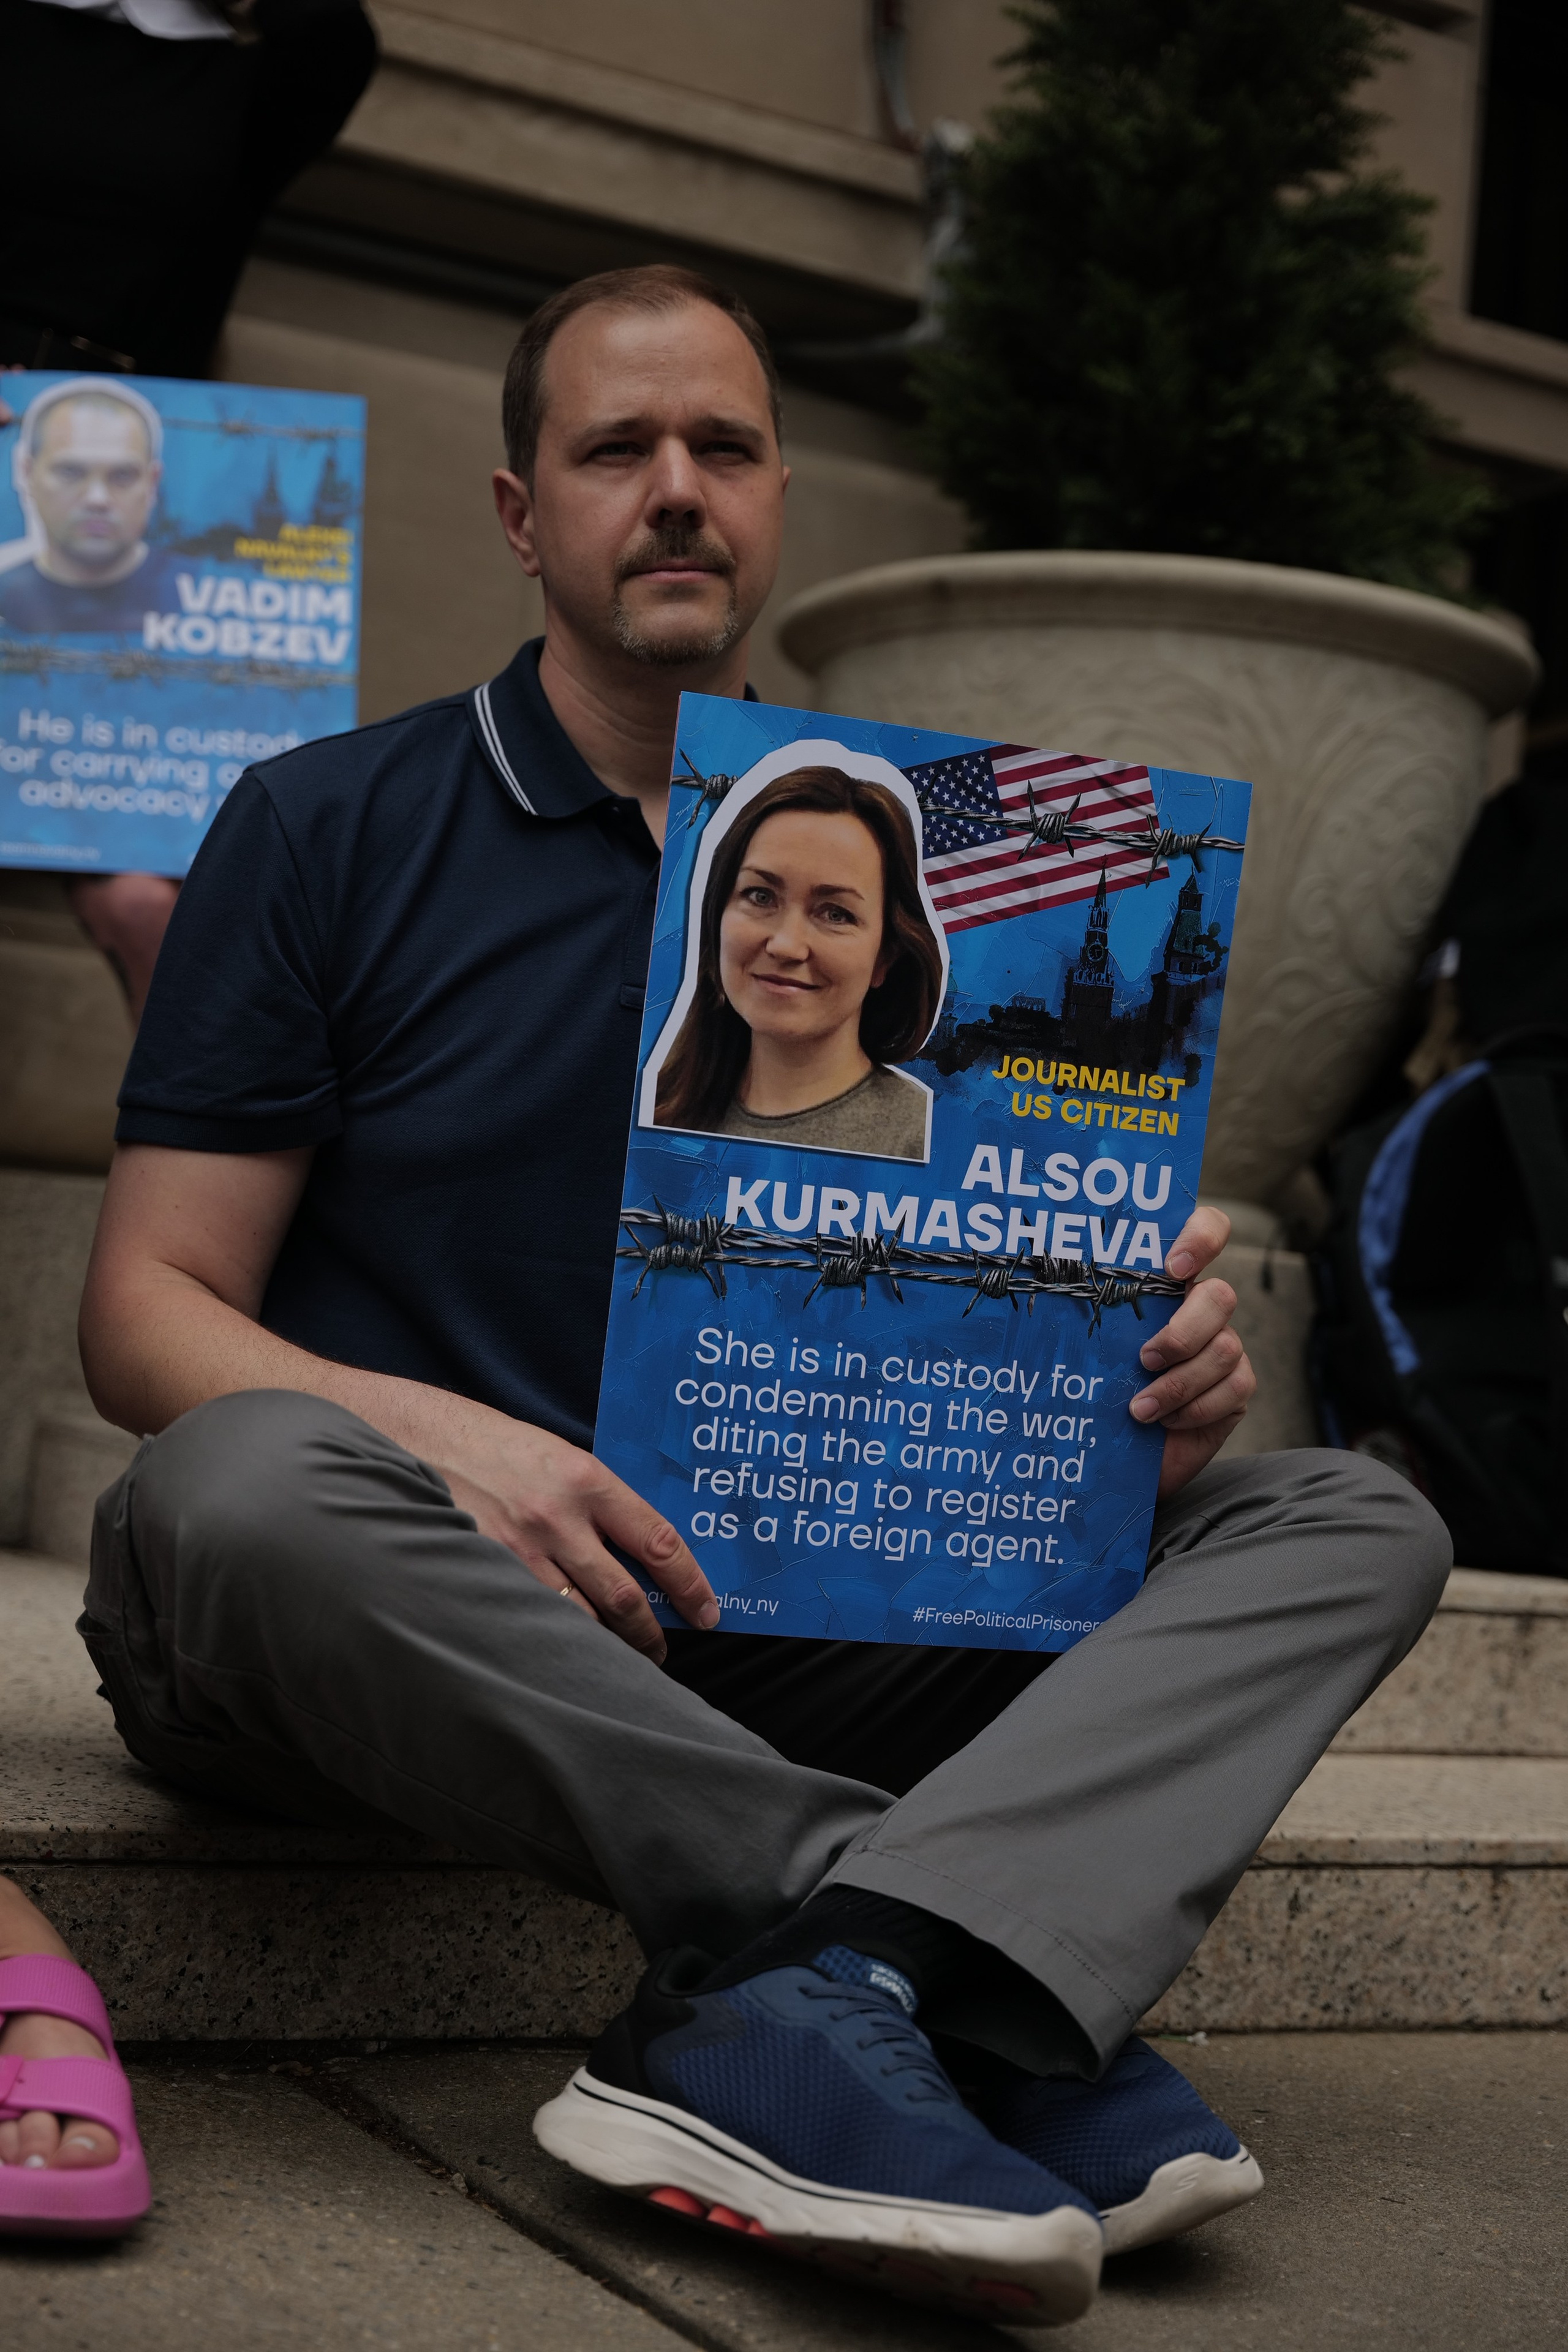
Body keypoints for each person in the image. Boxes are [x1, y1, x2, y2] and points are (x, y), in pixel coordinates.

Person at [29, 265, 1447, 2318]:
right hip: (393, 1619)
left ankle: (830, 1997)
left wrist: (1130, 1394)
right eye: (619, 450)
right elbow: (146, 1317)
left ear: (782, 497)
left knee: (1346, 1516)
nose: (677, 490)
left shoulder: (948, 870)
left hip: (770, 1623)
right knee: (232, 1481)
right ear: (525, 514)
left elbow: (993, 1356)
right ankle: (939, 1972)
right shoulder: (325, 824)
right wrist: (462, 1452)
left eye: (726, 449)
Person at [652, 764, 940, 1159]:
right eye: (760, 896)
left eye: (836, 914)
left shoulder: (930, 1142)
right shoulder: (653, 1111)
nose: (786, 946)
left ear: (885, 957)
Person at [0, 379, 180, 633]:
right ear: (27, 474)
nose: (98, 499)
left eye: (122, 475)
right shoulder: (4, 592)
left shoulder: (203, 596)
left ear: (152, 483)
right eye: (71, 471)